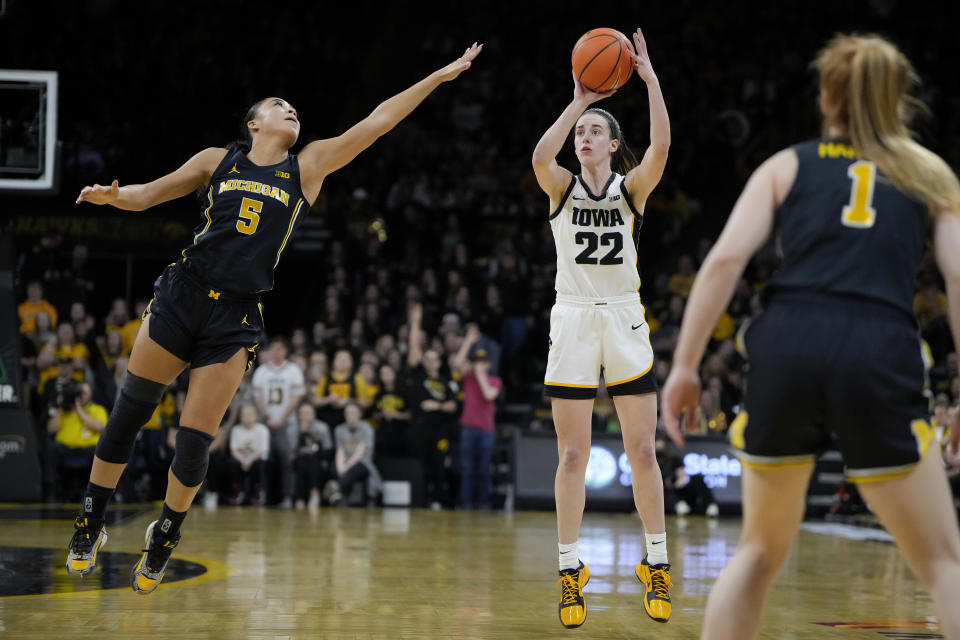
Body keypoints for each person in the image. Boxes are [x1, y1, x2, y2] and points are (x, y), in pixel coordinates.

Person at [64, 42, 482, 594]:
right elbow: (146, 195)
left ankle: (166, 532)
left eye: (294, 107)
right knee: (127, 414)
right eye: (279, 104)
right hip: (183, 293)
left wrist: (438, 76)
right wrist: (113, 197)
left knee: (193, 443)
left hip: (235, 319)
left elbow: (378, 121)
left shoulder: (307, 165)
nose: (291, 110)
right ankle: (91, 520)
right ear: (254, 122)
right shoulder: (218, 160)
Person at [660, 34, 960, 640]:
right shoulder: (930, 175)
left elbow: (722, 262)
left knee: (758, 553)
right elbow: (959, 277)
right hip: (879, 344)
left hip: (787, 341)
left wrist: (686, 365)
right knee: (943, 564)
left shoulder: (787, 164)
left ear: (826, 98)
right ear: (899, 99)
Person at [531, 28, 671, 628]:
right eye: (582, 133)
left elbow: (661, 146)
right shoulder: (560, 185)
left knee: (642, 449)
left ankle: (657, 562)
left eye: (595, 132)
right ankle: (569, 572)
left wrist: (650, 81)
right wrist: (579, 102)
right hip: (573, 319)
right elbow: (540, 155)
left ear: (614, 147)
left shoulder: (629, 190)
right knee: (572, 455)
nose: (584, 138)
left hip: (623, 318)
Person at [452, 324, 502, 510]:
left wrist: (480, 374)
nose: (480, 364)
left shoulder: (494, 380)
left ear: (489, 364)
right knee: (466, 469)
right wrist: (468, 342)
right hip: (468, 428)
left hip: (486, 431)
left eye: (483, 361)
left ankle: (484, 504)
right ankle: (465, 504)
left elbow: (489, 395)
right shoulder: (468, 377)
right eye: (477, 361)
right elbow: (456, 364)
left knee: (483, 470)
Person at [251, 337, 305, 508]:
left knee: (287, 460)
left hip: (287, 423)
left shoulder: (293, 370)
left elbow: (297, 396)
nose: (276, 352)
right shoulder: (262, 371)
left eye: (280, 348)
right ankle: (264, 494)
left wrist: (282, 418)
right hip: (266, 422)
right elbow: (257, 396)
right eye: (273, 348)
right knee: (265, 460)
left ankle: (288, 497)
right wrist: (267, 417)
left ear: (285, 351)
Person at [334, 402, 380, 505]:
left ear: (360, 414)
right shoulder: (339, 429)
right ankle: (339, 494)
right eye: (348, 413)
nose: (350, 416)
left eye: (353, 413)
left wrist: (345, 467)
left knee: (355, 469)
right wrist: (340, 468)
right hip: (345, 462)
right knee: (335, 467)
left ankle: (336, 489)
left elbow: (360, 452)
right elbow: (340, 450)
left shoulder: (367, 428)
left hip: (363, 463)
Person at [292, 402, 335, 509]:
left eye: (307, 413)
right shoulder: (293, 428)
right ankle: (314, 493)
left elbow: (328, 450)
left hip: (318, 461)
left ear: (314, 414)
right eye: (302, 413)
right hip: (298, 461)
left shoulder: (322, 427)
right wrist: (302, 432)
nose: (304, 416)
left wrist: (313, 452)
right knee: (304, 459)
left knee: (310, 459)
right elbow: (292, 450)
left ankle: (300, 498)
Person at [227, 404, 270, 506]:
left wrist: (249, 460)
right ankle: (237, 492)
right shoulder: (236, 430)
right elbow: (234, 450)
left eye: (249, 414)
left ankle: (257, 493)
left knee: (259, 465)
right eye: (244, 415)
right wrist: (243, 460)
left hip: (256, 459)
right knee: (232, 463)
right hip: (241, 459)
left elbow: (262, 451)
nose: (246, 417)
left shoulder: (262, 430)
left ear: (255, 416)